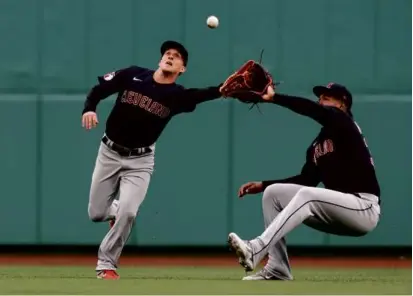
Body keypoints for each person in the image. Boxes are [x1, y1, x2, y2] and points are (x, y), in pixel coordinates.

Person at [82, 40, 227, 279]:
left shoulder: (176, 96)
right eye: (167, 54)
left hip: (140, 161)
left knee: (129, 213)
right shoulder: (133, 75)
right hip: (108, 152)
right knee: (96, 213)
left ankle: (106, 264)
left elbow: (202, 94)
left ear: (182, 69)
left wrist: (223, 89)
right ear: (160, 60)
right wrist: (89, 108)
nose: (170, 57)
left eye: (177, 56)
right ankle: (115, 211)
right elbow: (99, 90)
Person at [227, 82, 381, 280]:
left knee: (307, 196)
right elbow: (307, 181)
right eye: (320, 97)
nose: (320, 101)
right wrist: (264, 184)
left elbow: (312, 110)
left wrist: (275, 97)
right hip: (337, 210)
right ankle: (277, 268)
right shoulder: (317, 145)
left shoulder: (345, 124)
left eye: (327, 97)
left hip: (363, 207)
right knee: (273, 194)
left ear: (342, 104)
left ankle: (256, 248)